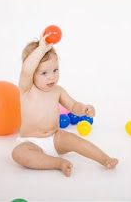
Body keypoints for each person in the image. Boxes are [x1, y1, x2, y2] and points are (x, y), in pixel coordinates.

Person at [12, 32, 118, 177]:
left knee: (75, 140)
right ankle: (57, 163)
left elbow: (74, 106)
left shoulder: (58, 91)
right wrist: (41, 49)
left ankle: (105, 159)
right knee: (18, 154)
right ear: (32, 74)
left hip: (55, 138)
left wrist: (84, 109)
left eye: (55, 70)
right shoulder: (27, 89)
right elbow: (26, 70)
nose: (52, 76)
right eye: (44, 73)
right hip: (32, 141)